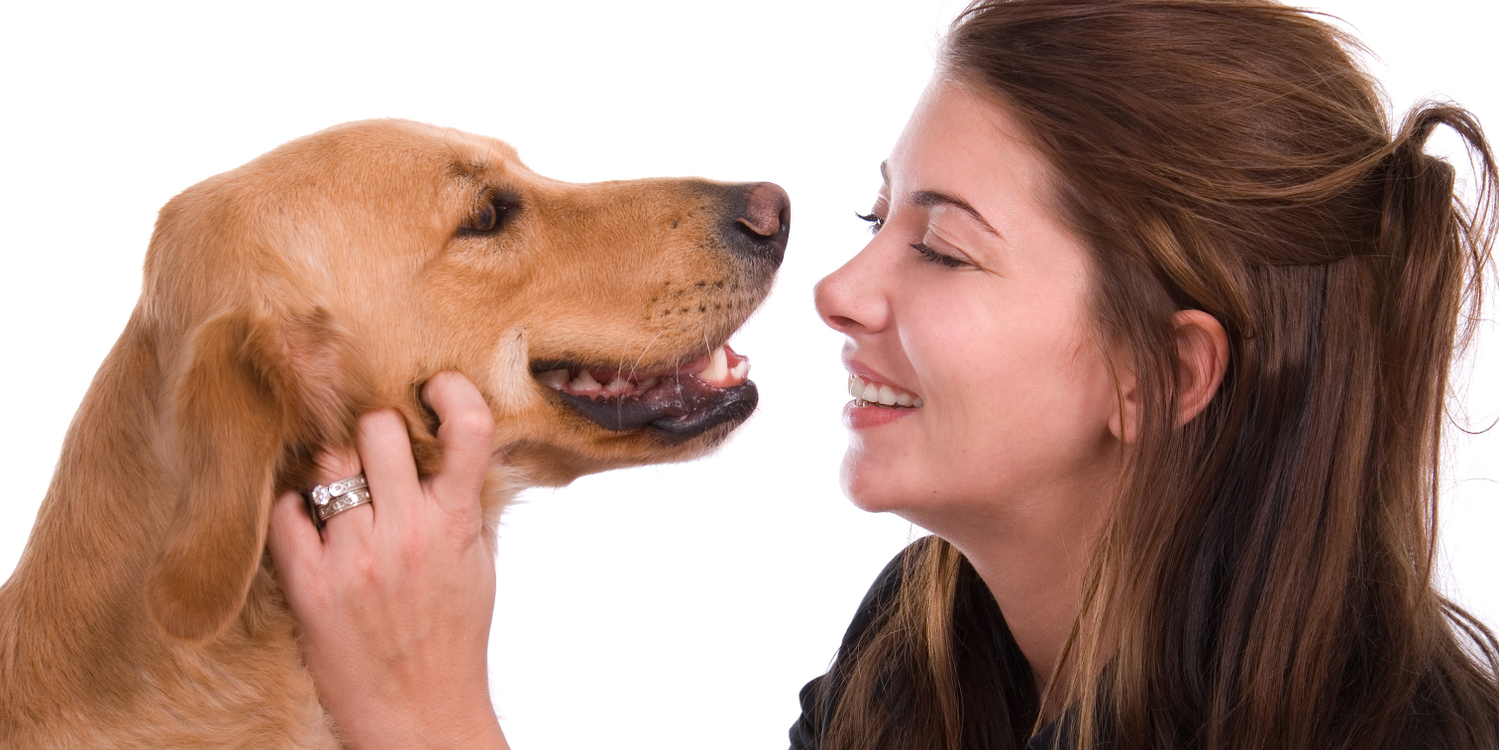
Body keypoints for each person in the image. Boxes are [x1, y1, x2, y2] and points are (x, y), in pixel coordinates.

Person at [266, 1, 1500, 748]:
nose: (838, 291)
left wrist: (429, 721)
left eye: (946, 249)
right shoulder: (920, 656)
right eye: (878, 215)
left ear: (1162, 374)